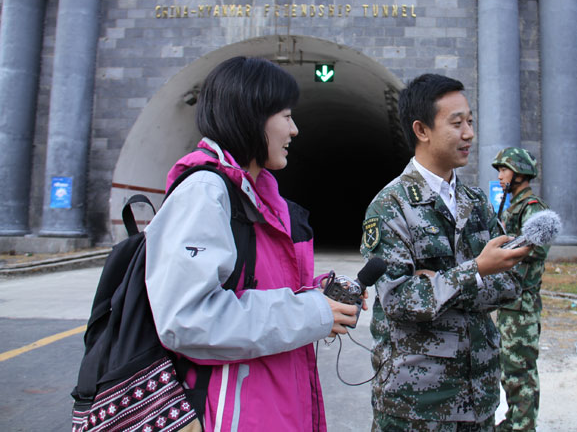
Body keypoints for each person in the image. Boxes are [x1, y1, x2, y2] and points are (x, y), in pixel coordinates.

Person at [144, 56, 359, 431]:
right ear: (251, 115)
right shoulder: (206, 192)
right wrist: (310, 312)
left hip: (269, 405)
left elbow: (250, 285)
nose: (294, 130)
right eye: (286, 116)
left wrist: (317, 294)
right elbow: (188, 318)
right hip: (230, 413)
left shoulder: (256, 196)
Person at [360, 73, 531, 432]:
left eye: (470, 121)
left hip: (479, 396)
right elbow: (401, 302)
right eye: (457, 123)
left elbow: (513, 282)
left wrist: (440, 283)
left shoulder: (475, 202)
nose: (469, 133)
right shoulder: (391, 206)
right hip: (416, 404)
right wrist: (477, 270)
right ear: (421, 130)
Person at [491, 147, 550, 432]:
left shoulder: (532, 207)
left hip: (521, 303)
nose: (500, 176)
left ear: (518, 172)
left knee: (520, 371)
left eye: (504, 169)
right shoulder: (514, 204)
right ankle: (515, 420)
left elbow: (534, 250)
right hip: (509, 301)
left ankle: (523, 426)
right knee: (510, 369)